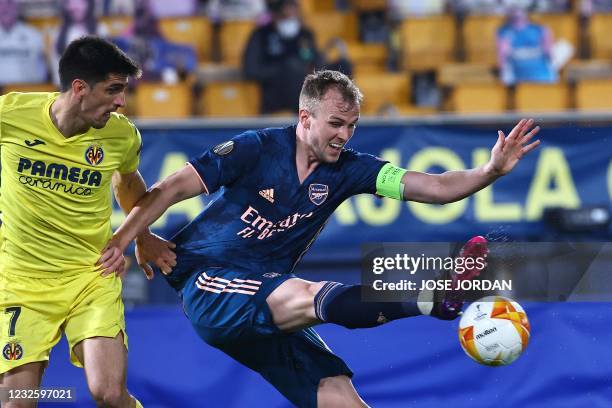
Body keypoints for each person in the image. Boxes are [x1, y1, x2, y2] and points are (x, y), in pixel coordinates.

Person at [100, 70, 540, 407]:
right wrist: (130, 239)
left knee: (339, 393)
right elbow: (172, 188)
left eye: (352, 125)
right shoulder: (256, 148)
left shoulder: (350, 168)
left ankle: (430, 302)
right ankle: (429, 301)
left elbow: (438, 188)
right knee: (307, 294)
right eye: (336, 124)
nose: (344, 135)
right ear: (305, 117)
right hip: (210, 285)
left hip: (268, 292)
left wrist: (490, 171)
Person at [0, 36, 174, 408]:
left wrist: (141, 235)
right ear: (80, 88)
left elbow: (128, 185)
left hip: (90, 275)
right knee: (16, 401)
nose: (121, 102)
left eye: (123, 90)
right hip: (20, 283)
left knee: (109, 394)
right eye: (113, 90)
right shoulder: (11, 114)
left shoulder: (121, 134)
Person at [496, 7, 557, 85]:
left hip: (542, 74)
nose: (518, 20)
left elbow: (549, 53)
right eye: (515, 18)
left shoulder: (540, 29)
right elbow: (502, 57)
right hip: (517, 74)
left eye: (520, 17)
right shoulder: (504, 31)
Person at [0, 0, 49, 86]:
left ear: (17, 8)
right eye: (1, 4)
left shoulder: (34, 35)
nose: (5, 9)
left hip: (26, 92)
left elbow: (42, 68)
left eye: (9, 4)